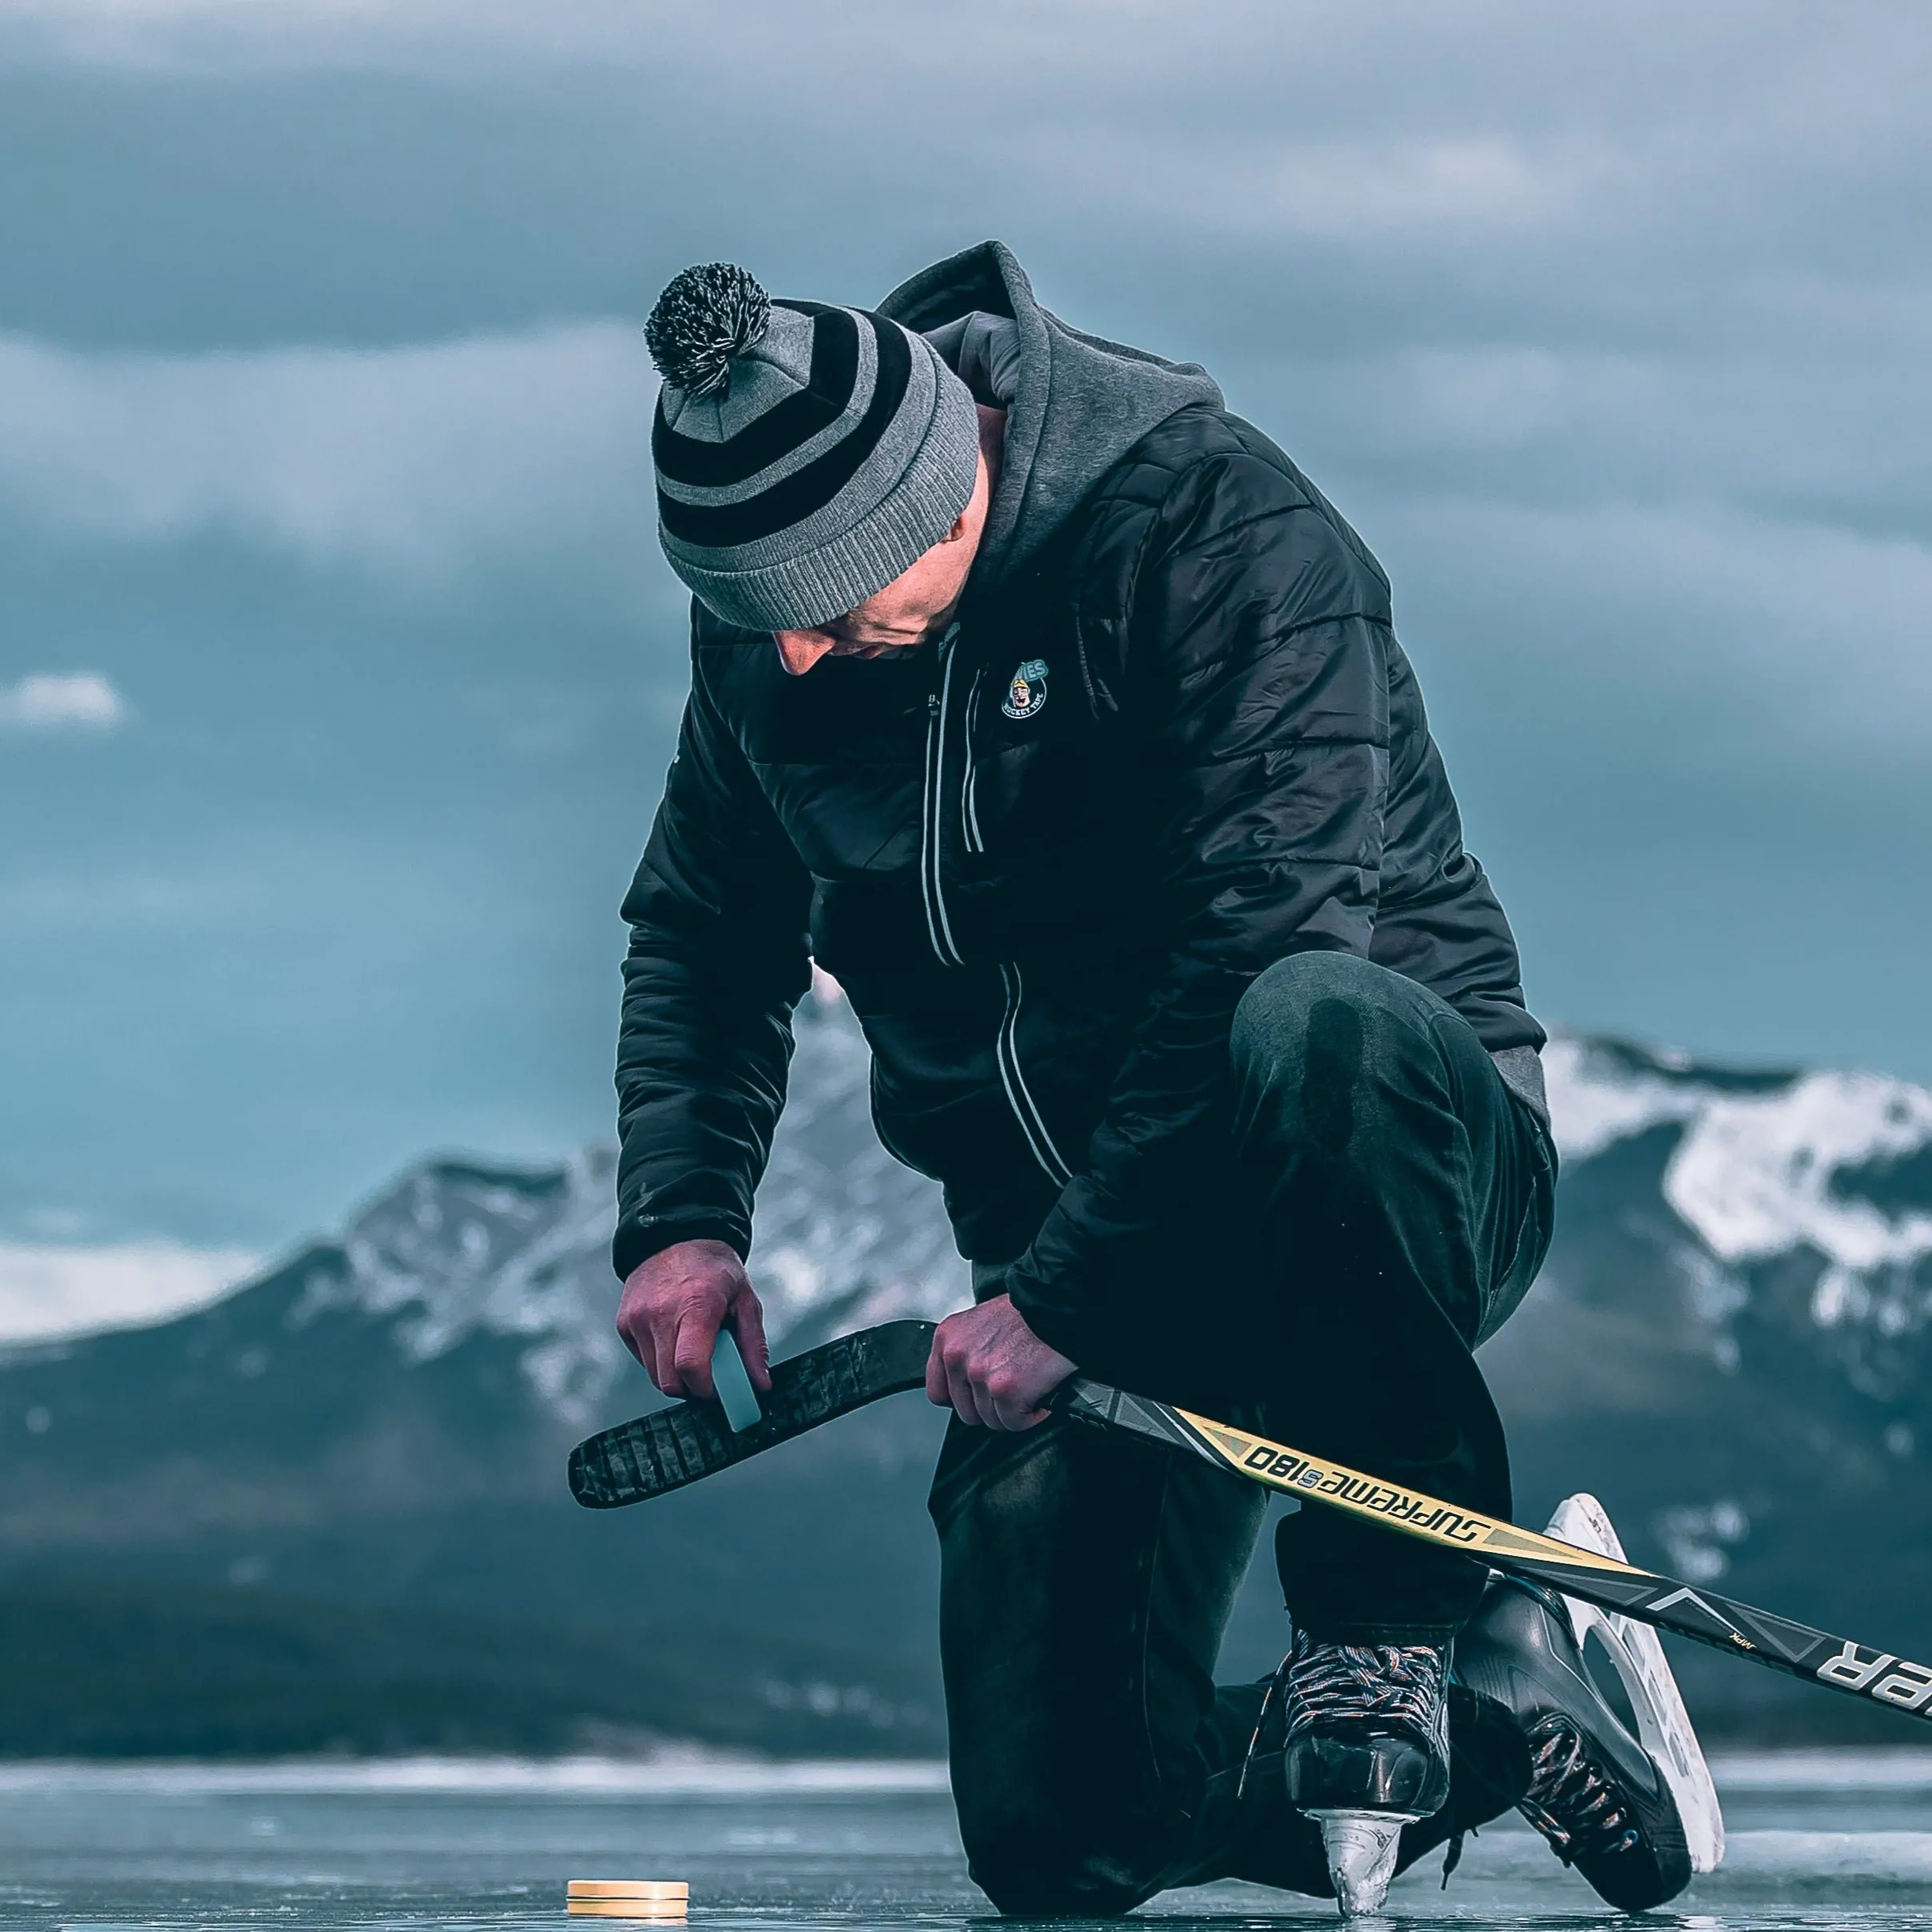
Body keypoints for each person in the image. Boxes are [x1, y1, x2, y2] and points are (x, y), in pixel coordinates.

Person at [610, 244, 1714, 1915]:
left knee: (1305, 1012)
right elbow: (703, 927)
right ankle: (1508, 1691)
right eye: (765, 624)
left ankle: (1384, 1619)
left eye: (835, 609)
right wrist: (683, 1218)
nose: (808, 661)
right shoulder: (775, 651)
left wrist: (1070, 1289)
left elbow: (1257, 939)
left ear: (946, 490)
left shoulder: (1221, 541)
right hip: (1077, 1269)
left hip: (1380, 1169)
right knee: (1066, 1834)